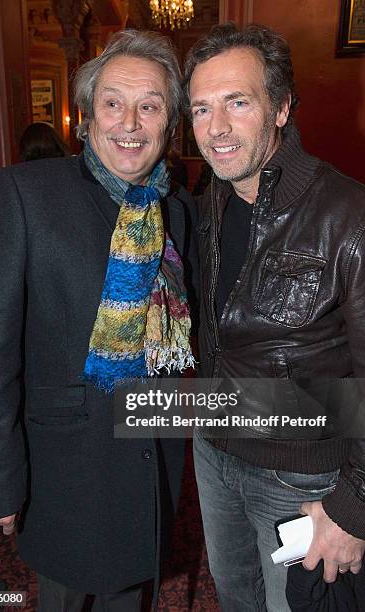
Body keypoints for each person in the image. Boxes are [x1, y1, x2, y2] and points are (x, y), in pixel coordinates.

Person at [0, 29, 197, 612]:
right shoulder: (23, 193)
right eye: (113, 103)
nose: (130, 123)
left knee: (130, 597)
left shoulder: (179, 212)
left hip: (150, 458)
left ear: (168, 125)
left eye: (149, 106)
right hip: (65, 467)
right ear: (86, 116)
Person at [183, 22, 365, 612]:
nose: (216, 129)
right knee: (236, 600)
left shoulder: (348, 216)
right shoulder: (210, 199)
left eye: (238, 103)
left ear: (282, 107)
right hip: (214, 454)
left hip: (302, 479)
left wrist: (356, 506)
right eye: (202, 108)